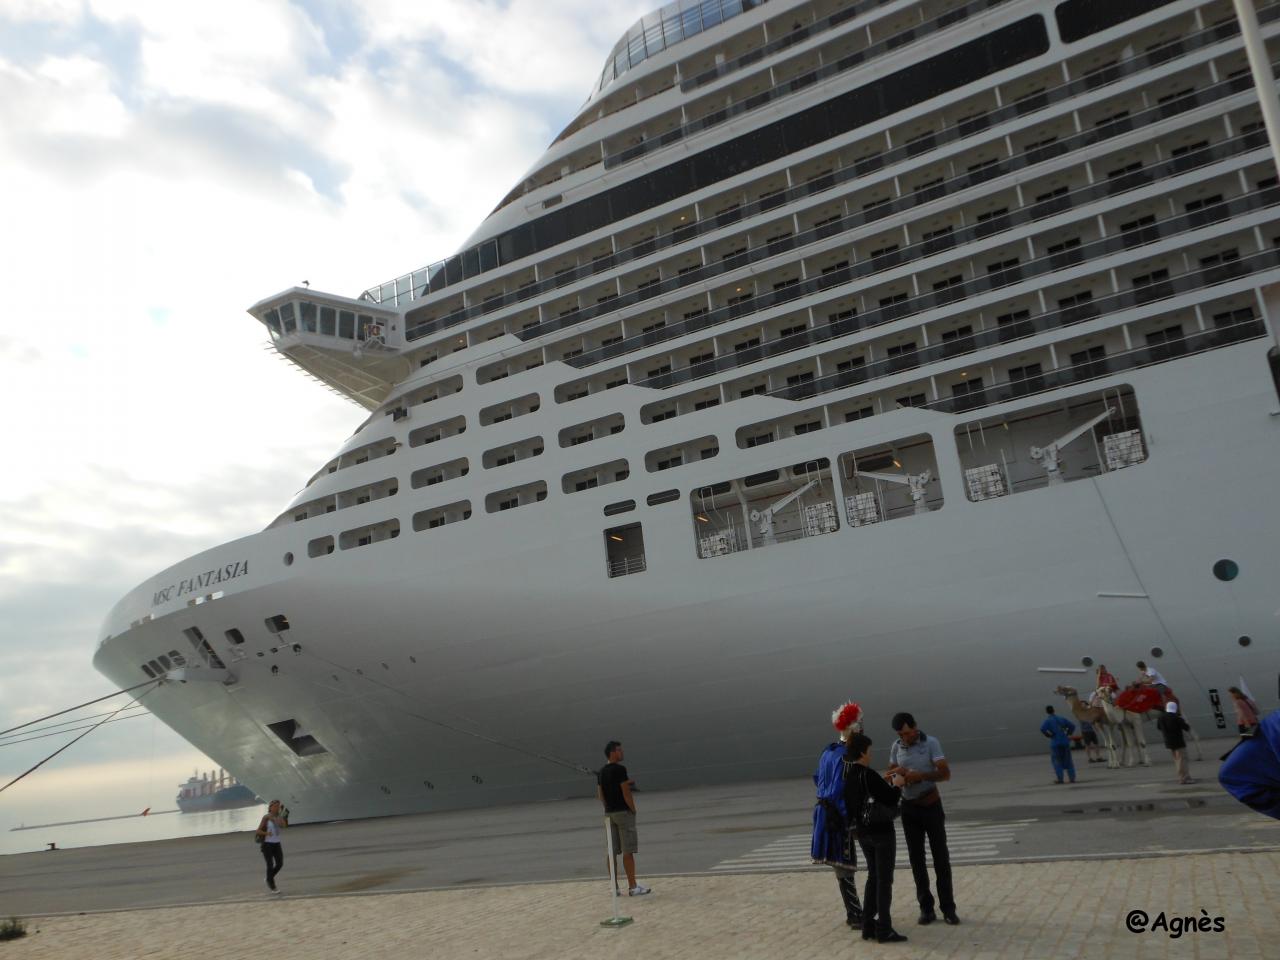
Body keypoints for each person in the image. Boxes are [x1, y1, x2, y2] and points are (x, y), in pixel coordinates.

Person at [887, 712, 960, 926]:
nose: (905, 738)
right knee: (916, 860)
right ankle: (926, 908)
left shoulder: (931, 743)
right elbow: (890, 773)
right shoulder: (896, 746)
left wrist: (921, 776)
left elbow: (945, 774)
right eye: (901, 734)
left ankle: (948, 908)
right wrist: (896, 774)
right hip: (909, 809)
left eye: (908, 733)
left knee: (941, 858)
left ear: (915, 727)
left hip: (931, 805)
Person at [843, 732, 908, 944]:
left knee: (873, 875)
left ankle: (868, 926)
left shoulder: (850, 775)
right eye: (869, 751)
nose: (871, 755)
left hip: (862, 833)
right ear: (862, 752)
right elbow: (889, 797)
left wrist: (883, 782)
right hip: (881, 832)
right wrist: (897, 783)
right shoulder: (867, 774)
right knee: (884, 880)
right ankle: (884, 929)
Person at [811, 701, 864, 929]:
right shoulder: (846, 757)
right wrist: (852, 819)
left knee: (840, 866)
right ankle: (855, 914)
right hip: (837, 815)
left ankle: (854, 912)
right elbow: (844, 789)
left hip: (823, 812)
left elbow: (817, 778)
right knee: (845, 864)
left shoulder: (828, 751)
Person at [597, 740, 651, 896]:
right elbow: (625, 792)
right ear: (612, 752)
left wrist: (608, 807)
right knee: (628, 851)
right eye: (619, 750)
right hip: (623, 813)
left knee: (611, 851)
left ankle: (614, 888)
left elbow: (600, 795)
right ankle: (633, 886)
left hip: (609, 814)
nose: (622, 752)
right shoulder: (620, 769)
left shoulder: (601, 772)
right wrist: (632, 809)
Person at [254, 799, 288, 893]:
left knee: (280, 863)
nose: (277, 808)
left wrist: (282, 816)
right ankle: (272, 886)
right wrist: (266, 833)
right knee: (270, 865)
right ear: (270, 807)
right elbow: (258, 831)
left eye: (278, 806)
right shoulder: (266, 817)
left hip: (277, 843)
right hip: (267, 844)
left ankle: (269, 878)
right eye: (275, 806)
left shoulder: (279, 817)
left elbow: (284, 826)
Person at [1156, 701, 1194, 784]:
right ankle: (1184, 778)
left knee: (1176, 760)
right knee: (1182, 759)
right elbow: (1186, 727)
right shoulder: (1176, 717)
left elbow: (1159, 727)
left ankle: (1182, 776)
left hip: (1168, 741)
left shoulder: (1161, 717)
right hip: (1179, 742)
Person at [1040, 705, 1077, 783]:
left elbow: (1042, 729)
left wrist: (1050, 735)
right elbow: (1072, 726)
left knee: (1057, 761)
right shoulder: (1061, 719)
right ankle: (1072, 778)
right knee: (1068, 760)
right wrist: (1068, 733)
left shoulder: (1048, 721)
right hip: (1065, 742)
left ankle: (1060, 779)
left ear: (1047, 712)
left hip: (1055, 743)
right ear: (1054, 710)